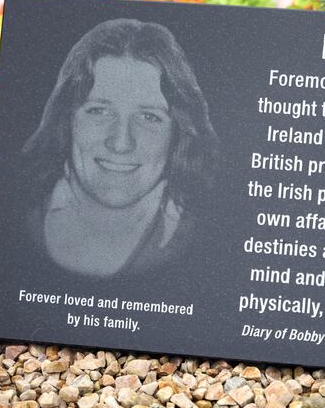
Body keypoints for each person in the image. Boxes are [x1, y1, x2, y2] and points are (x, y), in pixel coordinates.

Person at [21, 18, 218, 278]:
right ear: (67, 118)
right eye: (99, 111)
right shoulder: (14, 214)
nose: (121, 143)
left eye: (149, 117)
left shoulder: (208, 241)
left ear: (178, 132)